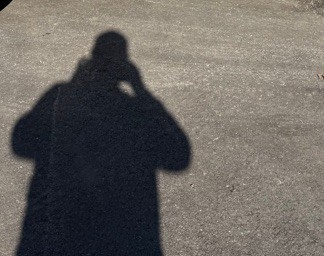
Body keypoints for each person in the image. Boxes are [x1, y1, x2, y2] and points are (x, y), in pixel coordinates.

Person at [11, 31, 191, 256]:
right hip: (123, 229)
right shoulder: (133, 108)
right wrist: (141, 88)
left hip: (67, 221)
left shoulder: (63, 93)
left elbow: (20, 141)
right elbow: (178, 157)